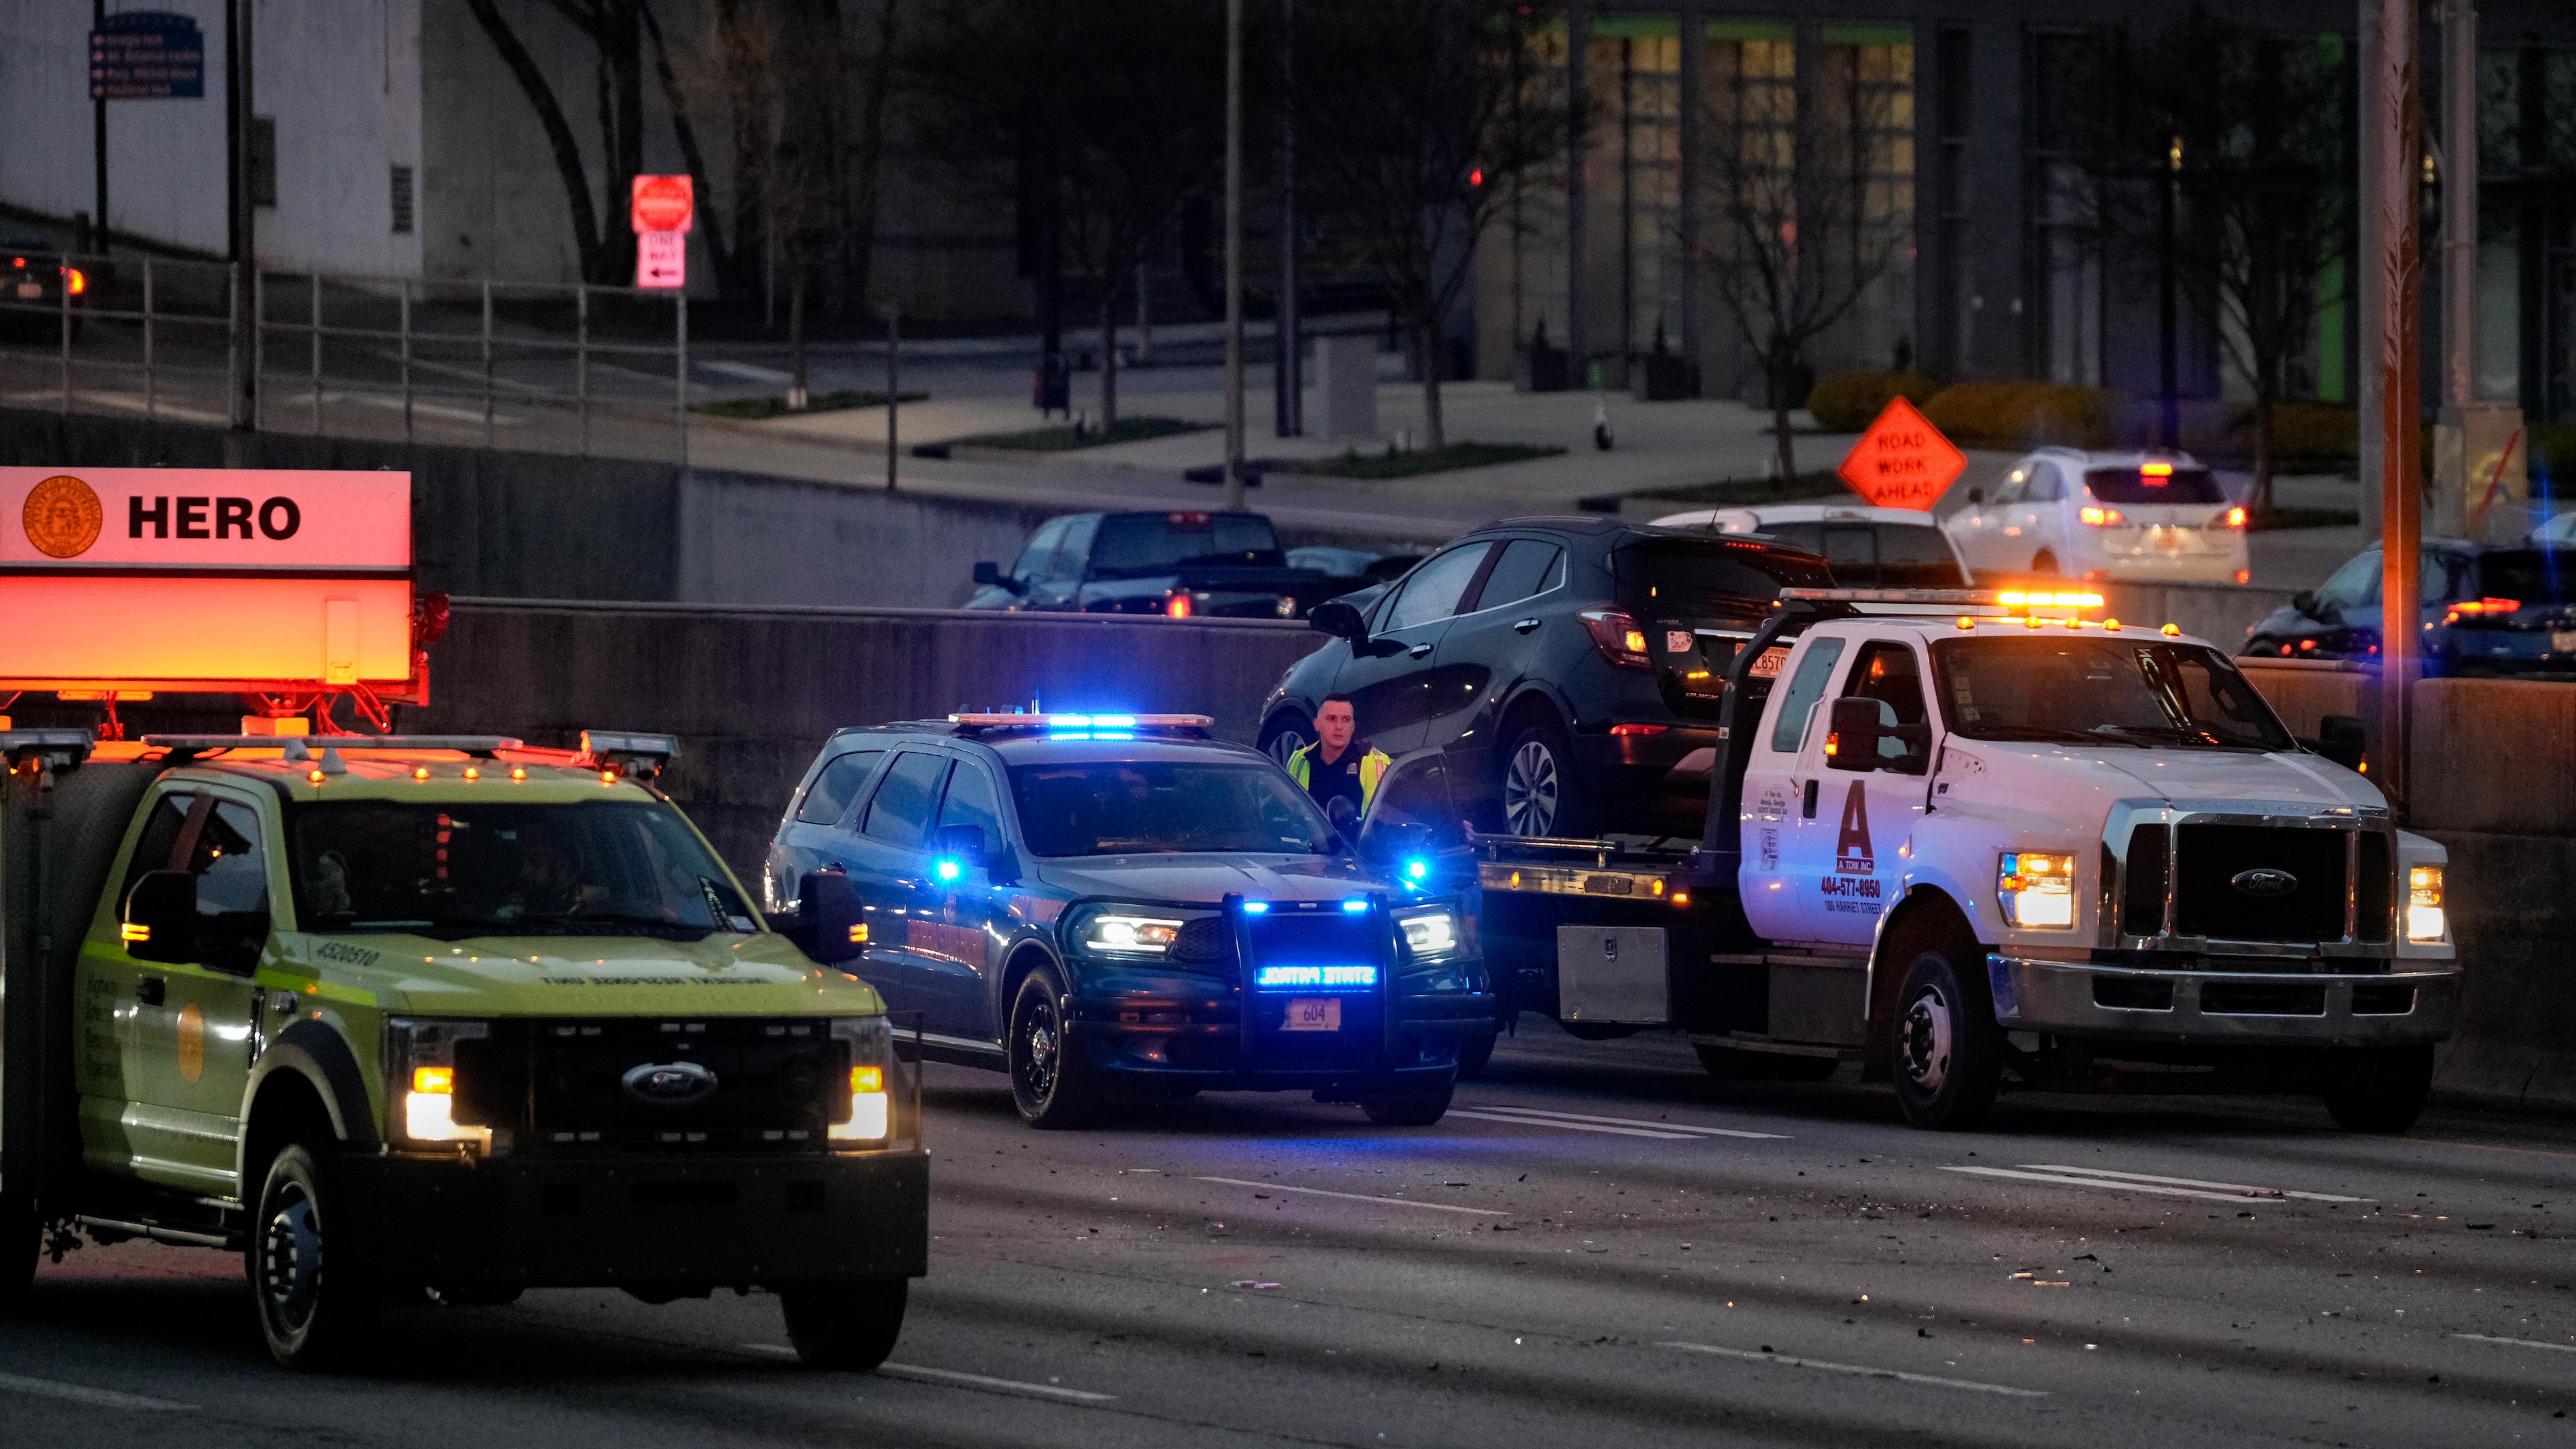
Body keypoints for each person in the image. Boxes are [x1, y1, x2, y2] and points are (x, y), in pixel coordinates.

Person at [1284, 695, 1389, 820]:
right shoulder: (1298, 760)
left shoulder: (1377, 763)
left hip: (1359, 839)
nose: (1339, 726)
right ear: (1317, 724)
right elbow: (1285, 812)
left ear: (1353, 727)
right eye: (1332, 719)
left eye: (1346, 720)